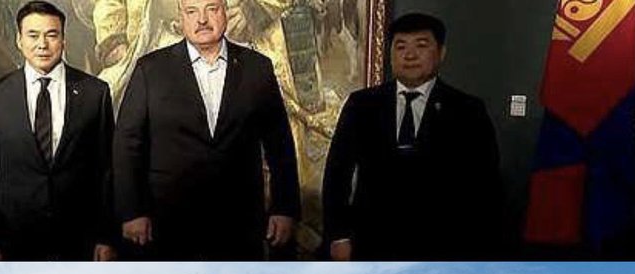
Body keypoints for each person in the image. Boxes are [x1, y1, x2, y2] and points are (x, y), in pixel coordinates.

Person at [112, 0, 301, 258]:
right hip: (168, 224)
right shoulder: (150, 69)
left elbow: (280, 145)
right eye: (192, 11)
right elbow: (127, 144)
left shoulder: (258, 68)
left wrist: (284, 207)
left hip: (239, 224)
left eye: (211, 9)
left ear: (224, 12)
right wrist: (132, 211)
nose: (202, 19)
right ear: (182, 18)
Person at [321, 12, 502, 260]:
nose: (409, 55)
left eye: (421, 45)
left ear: (441, 52)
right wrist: (338, 235)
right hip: (371, 244)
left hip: (444, 248)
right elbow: (336, 174)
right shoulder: (362, 105)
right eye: (400, 46)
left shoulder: (467, 110)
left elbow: (486, 186)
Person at [0, 1, 117, 260]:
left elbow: (107, 170)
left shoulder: (95, 92)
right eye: (33, 35)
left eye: (51, 35)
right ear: (19, 40)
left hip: (80, 238)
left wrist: (106, 236)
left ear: (63, 40)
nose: (42, 44)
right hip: (14, 240)